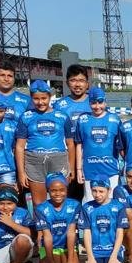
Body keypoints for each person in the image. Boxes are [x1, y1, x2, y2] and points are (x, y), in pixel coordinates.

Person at [15, 80, 75, 211]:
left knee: (60, 200)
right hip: (34, 161)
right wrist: (21, 173)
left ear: (49, 97)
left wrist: (72, 168)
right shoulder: (26, 117)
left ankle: (60, 224)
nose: (40, 102)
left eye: (44, 98)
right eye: (36, 99)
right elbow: (19, 147)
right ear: (31, 98)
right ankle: (40, 225)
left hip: (58, 160)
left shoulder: (62, 116)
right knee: (38, 203)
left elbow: (70, 144)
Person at [77, 178, 129, 263]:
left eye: (101, 191)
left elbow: (120, 233)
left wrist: (114, 256)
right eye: (94, 191)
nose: (97, 195)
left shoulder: (118, 206)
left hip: (112, 251)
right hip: (95, 252)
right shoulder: (87, 207)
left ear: (109, 190)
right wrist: (90, 257)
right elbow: (87, 233)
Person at [75, 86, 122, 201]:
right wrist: (78, 169)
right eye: (93, 103)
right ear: (89, 103)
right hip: (90, 170)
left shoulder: (115, 120)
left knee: (111, 202)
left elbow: (121, 146)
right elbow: (79, 145)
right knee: (90, 202)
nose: (97, 106)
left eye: (100, 102)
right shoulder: (83, 119)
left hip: (111, 170)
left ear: (105, 102)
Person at [53, 63, 92, 201]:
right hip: (67, 155)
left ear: (87, 83)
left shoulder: (94, 103)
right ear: (67, 83)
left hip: (89, 154)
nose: (77, 84)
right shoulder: (59, 105)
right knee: (69, 193)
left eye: (81, 80)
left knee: (91, 194)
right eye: (73, 80)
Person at [34, 173, 80, 263]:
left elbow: (71, 233)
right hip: (50, 247)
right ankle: (45, 261)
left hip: (67, 246)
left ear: (67, 189)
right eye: (53, 190)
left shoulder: (75, 205)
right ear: (48, 191)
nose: (58, 193)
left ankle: (69, 259)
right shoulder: (41, 209)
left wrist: (70, 260)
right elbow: (47, 237)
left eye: (62, 190)